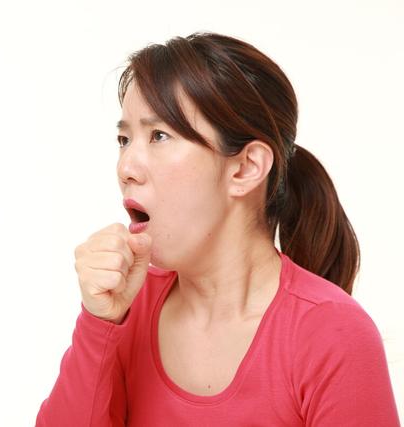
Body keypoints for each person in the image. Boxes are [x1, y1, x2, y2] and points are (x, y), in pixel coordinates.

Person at [35, 32, 400, 426]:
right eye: (124, 139)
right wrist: (100, 322)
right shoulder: (129, 306)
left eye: (159, 136)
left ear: (245, 168)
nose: (125, 168)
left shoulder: (332, 333)